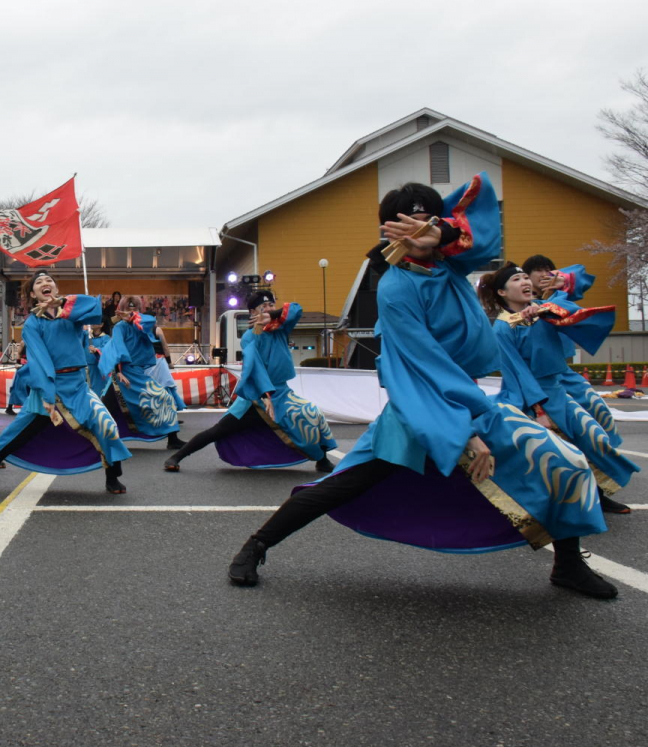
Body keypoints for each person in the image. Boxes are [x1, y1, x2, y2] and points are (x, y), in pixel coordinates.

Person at [227, 174, 616, 600]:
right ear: (389, 231)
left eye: (427, 221)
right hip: (421, 404)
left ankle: (568, 565)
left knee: (562, 461)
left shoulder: (450, 264)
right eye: (407, 224)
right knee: (341, 486)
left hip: (461, 398)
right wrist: (464, 429)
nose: (418, 231)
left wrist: (445, 231)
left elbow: (483, 216)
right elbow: (424, 365)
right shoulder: (396, 287)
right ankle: (256, 545)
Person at [480, 262, 637, 513]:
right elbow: (516, 372)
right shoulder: (503, 326)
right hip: (532, 397)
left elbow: (572, 302)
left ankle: (596, 494)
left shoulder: (545, 310)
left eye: (525, 278)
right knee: (555, 455)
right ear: (502, 293)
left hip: (558, 389)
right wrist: (539, 410)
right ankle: (548, 507)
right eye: (517, 280)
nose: (525, 282)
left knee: (593, 437)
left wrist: (560, 284)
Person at [0, 272, 132, 494]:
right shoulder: (32, 324)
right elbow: (39, 361)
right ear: (33, 294)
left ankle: (112, 478)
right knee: (15, 435)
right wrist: (48, 397)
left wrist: (63, 303)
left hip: (78, 387)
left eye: (49, 281)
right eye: (39, 282)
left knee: (106, 425)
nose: (45, 283)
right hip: (47, 388)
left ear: (56, 289)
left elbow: (95, 309)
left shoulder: (71, 314)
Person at [165, 289, 336, 473]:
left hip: (282, 394)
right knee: (218, 431)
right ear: (253, 313)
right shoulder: (250, 337)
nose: (269, 308)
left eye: (272, 305)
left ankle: (322, 459)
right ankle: (176, 456)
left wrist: (274, 315)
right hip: (255, 398)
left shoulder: (280, 329)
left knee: (312, 413)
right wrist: (265, 394)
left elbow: (296, 309)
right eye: (264, 307)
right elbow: (255, 367)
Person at [523, 254, 623, 446]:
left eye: (548, 270)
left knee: (595, 405)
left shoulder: (560, 295)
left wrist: (563, 280)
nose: (544, 275)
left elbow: (581, 274)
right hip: (531, 375)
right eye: (538, 271)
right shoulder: (519, 300)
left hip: (561, 370)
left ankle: (607, 453)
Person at [99, 296, 184, 450]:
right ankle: (97, 440)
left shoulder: (142, 324)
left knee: (165, 399)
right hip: (124, 372)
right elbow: (117, 348)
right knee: (107, 408)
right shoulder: (120, 327)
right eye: (128, 308)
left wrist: (132, 317)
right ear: (122, 310)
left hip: (138, 372)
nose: (132, 311)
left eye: (135, 308)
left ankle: (173, 438)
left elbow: (150, 321)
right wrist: (119, 372)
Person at [85, 323, 111, 396]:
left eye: (95, 321)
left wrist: (96, 350)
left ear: (101, 324)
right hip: (89, 366)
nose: (92, 323)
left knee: (103, 388)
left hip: (101, 367)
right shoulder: (87, 336)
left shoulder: (106, 337)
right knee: (90, 387)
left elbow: (107, 350)